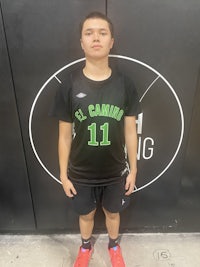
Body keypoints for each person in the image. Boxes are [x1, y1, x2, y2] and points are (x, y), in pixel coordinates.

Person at [51, 11, 141, 267]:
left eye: (102, 33)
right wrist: (63, 174)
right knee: (86, 214)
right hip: (81, 172)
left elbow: (130, 131)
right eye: (89, 33)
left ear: (112, 41)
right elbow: (64, 135)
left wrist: (134, 169)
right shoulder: (68, 85)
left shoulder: (125, 84)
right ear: (81, 42)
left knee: (113, 213)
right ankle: (85, 246)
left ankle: (113, 246)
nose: (96, 38)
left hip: (115, 171)